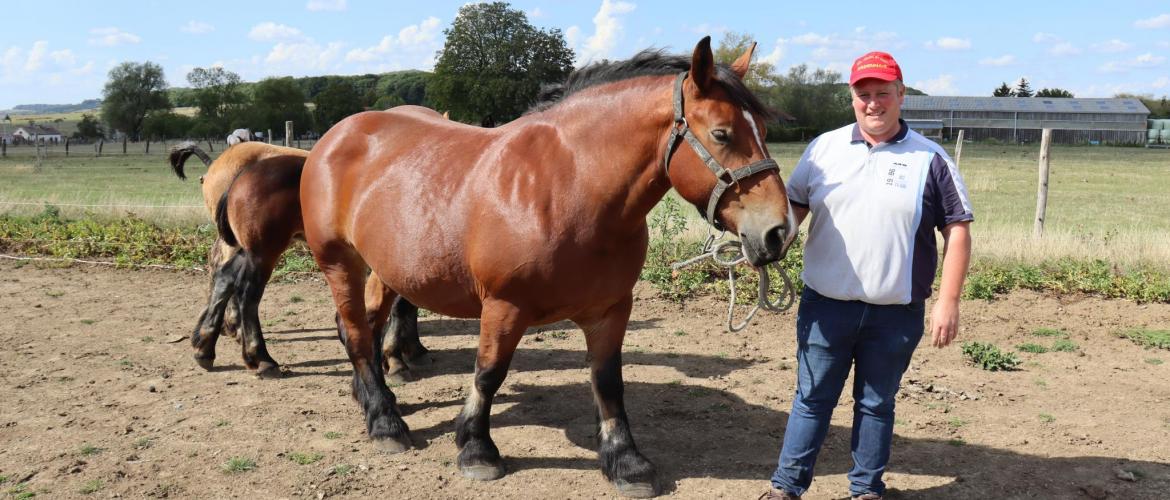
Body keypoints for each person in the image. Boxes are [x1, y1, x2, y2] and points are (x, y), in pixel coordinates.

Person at [761, 51, 974, 500]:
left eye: (882, 93)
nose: (872, 103)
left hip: (895, 314)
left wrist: (948, 300)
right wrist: (771, 243)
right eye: (863, 95)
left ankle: (865, 490)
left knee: (876, 404)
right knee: (812, 399)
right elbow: (795, 206)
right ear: (852, 98)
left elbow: (957, 230)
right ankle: (786, 489)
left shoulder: (931, 160)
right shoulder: (824, 149)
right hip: (825, 307)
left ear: (901, 94)